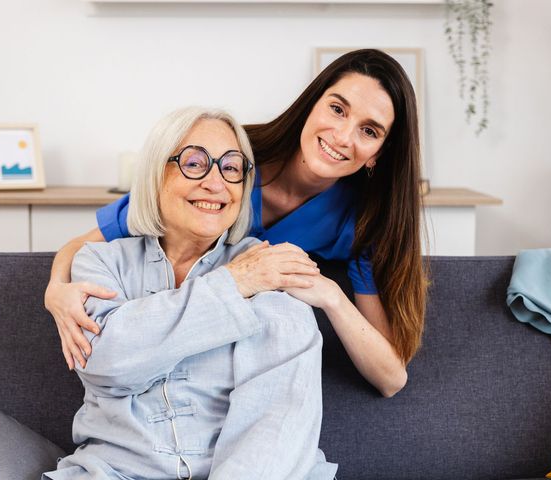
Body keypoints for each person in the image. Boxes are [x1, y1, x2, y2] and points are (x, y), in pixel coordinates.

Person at [45, 49, 427, 398]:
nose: (343, 137)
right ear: (312, 105)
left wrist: (331, 297)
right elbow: (86, 242)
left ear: (379, 153)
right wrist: (55, 291)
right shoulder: (226, 161)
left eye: (369, 130)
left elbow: (391, 378)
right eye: (338, 109)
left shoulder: (363, 221)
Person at [43, 107, 336, 480]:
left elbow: (278, 422)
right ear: (155, 174)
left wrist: (243, 278)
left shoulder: (269, 268)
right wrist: (233, 284)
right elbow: (106, 362)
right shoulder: (101, 262)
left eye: (231, 168)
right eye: (194, 163)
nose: (216, 183)